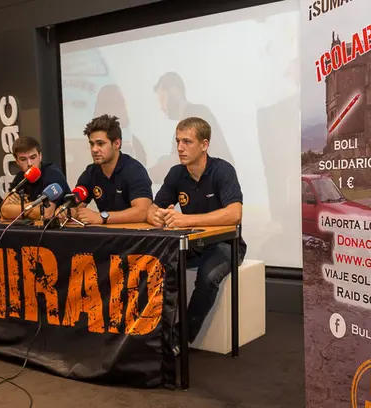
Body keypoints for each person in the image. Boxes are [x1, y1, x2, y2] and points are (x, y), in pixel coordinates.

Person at [146, 116, 247, 354]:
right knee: (158, 266)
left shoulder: (222, 170)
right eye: (178, 141)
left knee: (207, 277)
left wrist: (186, 220)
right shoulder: (176, 174)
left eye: (187, 142)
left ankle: (181, 337)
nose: (180, 148)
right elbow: (153, 207)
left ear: (204, 145)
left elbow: (235, 214)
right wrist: (157, 216)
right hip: (193, 245)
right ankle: (156, 330)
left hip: (226, 245)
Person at [150, 72, 234, 184]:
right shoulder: (179, 132)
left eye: (162, 99)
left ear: (173, 91)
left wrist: (148, 172)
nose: (162, 108)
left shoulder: (198, 113)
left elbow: (180, 161)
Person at [73, 114, 152, 224]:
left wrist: (102, 217)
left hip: (134, 237)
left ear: (117, 144)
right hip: (106, 236)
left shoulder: (135, 170)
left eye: (100, 144)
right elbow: (75, 206)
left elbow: (143, 212)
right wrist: (67, 212)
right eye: (92, 144)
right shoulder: (91, 172)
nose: (94, 149)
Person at [0, 136, 70, 220]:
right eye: (23, 159)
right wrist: (33, 207)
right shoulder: (20, 178)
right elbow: (4, 211)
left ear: (40, 156)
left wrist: (19, 208)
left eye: (33, 157)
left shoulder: (53, 174)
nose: (29, 163)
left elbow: (46, 213)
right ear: (17, 161)